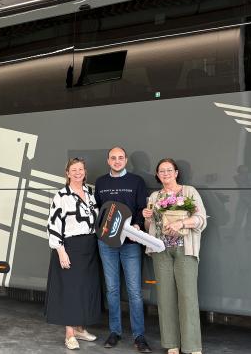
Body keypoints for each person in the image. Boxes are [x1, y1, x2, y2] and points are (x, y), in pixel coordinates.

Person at [142, 158, 207, 354]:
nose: (166, 174)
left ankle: (192, 346)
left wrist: (181, 224)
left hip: (184, 249)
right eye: (161, 171)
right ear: (158, 175)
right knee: (165, 298)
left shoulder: (189, 192)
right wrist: (146, 218)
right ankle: (172, 344)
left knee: (188, 297)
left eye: (169, 170)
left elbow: (201, 219)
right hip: (161, 251)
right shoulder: (154, 196)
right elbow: (149, 228)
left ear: (176, 172)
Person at [94, 147, 152, 353]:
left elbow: (140, 209)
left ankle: (139, 335)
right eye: (113, 158)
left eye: (120, 158)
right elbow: (99, 211)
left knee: (135, 292)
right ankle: (115, 331)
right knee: (111, 289)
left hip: (130, 243)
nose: (117, 161)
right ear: (108, 161)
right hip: (107, 244)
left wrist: (136, 225)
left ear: (126, 160)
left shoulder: (136, 182)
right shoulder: (100, 183)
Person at [46, 157, 102, 350]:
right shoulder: (61, 195)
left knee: (85, 288)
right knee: (70, 290)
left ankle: (79, 329)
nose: (78, 173)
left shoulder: (89, 192)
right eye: (74, 170)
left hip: (90, 246)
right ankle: (69, 334)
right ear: (67, 173)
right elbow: (53, 225)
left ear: (85, 172)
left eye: (81, 170)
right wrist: (61, 251)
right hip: (70, 246)